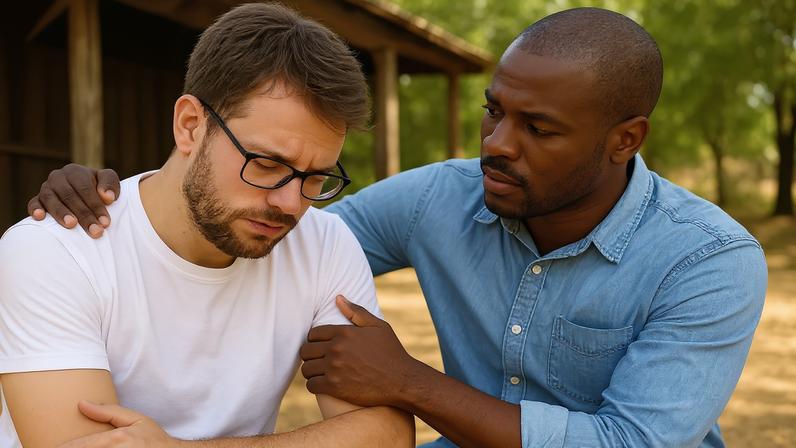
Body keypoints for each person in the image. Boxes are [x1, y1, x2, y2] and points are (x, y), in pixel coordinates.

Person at [26, 7, 767, 448]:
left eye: (538, 129)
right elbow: (276, 224)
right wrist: (126, 193)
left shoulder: (708, 260)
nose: (496, 144)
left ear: (624, 139)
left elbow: (632, 442)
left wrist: (410, 384)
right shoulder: (438, 198)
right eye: (494, 111)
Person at [0, 3, 415, 447]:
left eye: (316, 177)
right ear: (190, 126)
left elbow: (387, 436)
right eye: (267, 164)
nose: (291, 204)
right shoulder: (54, 252)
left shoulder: (325, 243)